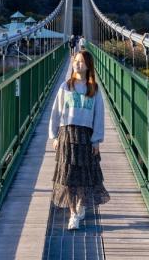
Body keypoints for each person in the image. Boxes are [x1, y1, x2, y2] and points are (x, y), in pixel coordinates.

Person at [48, 49, 110, 230]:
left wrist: (96, 140)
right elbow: (56, 112)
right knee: (67, 177)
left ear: (88, 66)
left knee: (84, 176)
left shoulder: (94, 90)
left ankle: (81, 205)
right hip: (67, 135)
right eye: (75, 61)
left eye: (82, 62)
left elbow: (99, 116)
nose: (78, 64)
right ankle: (73, 213)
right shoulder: (65, 86)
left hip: (85, 137)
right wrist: (53, 136)